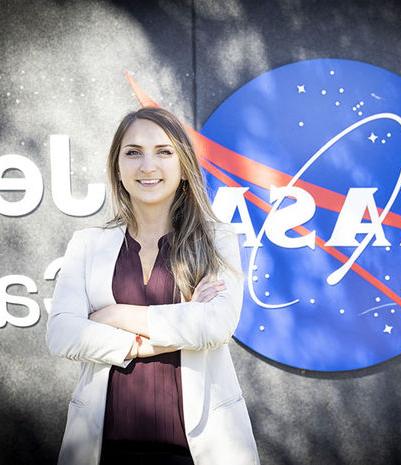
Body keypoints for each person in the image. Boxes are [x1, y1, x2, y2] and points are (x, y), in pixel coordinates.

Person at [46, 107, 261, 465]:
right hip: (103, 451)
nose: (148, 166)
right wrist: (147, 341)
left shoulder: (217, 241)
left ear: (183, 166)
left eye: (163, 152)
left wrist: (115, 314)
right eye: (133, 153)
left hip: (198, 452)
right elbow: (63, 333)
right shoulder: (87, 243)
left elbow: (215, 325)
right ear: (117, 166)